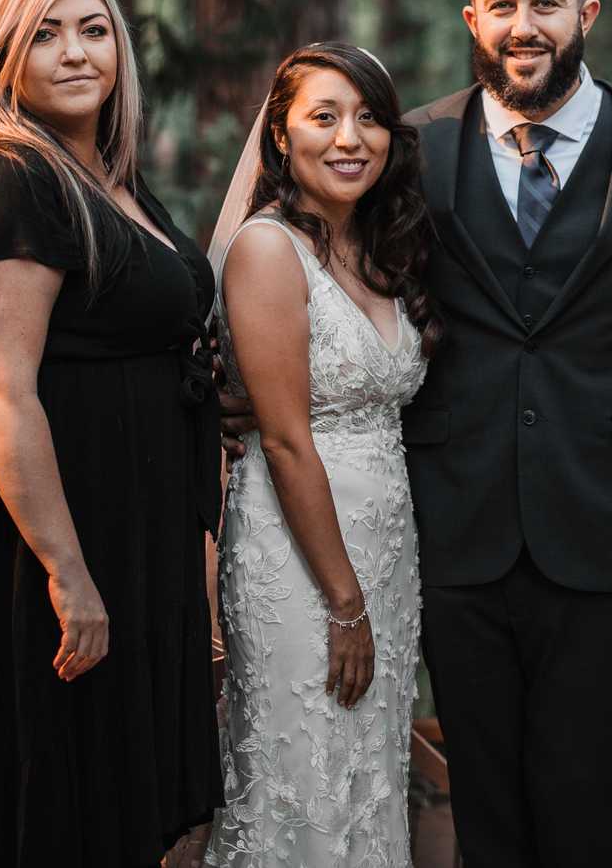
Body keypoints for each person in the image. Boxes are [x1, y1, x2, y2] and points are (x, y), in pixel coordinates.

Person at [402, 0, 612, 866]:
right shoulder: (412, 149)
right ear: (473, 18)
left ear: (584, 14)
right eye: (502, 4)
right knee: (483, 804)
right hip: (458, 523)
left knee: (587, 799)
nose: (523, 24)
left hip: (610, 523)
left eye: (544, 3)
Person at [0, 0, 222, 867]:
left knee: (115, 803)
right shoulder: (10, 180)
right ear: (4, 57)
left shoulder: (114, 182)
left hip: (129, 532)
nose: (76, 51)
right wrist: (68, 571)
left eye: (94, 30)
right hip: (51, 541)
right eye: (44, 34)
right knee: (52, 798)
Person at [204, 43, 437, 867]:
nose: (350, 138)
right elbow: (284, 436)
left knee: (366, 774)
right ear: (280, 136)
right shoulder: (269, 250)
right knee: (301, 774)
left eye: (369, 117)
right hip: (303, 558)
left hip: (384, 550)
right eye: (325, 116)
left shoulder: (377, 248)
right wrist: (344, 600)